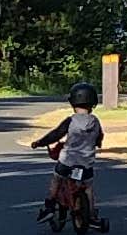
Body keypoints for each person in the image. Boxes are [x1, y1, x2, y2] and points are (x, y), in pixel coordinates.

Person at [28, 89, 105, 223]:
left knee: (57, 178)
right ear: (93, 103)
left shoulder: (71, 121)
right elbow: (100, 137)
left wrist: (40, 142)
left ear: (73, 103)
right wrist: (96, 142)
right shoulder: (95, 122)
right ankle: (92, 214)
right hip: (86, 162)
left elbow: (56, 134)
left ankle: (50, 206)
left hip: (67, 161)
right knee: (87, 187)